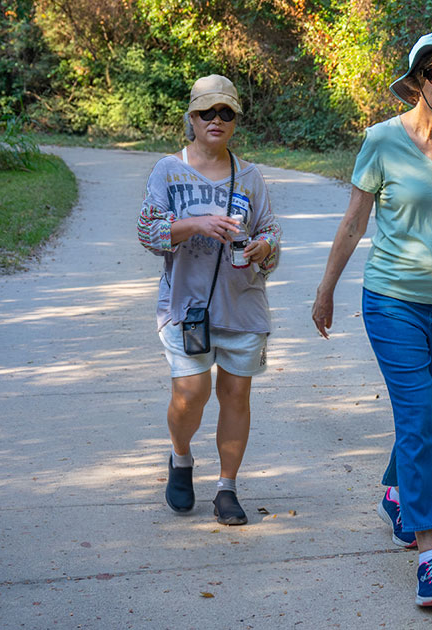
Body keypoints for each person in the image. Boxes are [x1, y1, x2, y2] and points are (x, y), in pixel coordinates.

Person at [311, 32, 432, 607]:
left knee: (429, 417)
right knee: (420, 420)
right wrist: (325, 291)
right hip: (392, 300)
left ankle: (395, 492)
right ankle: (430, 557)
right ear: (417, 79)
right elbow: (352, 224)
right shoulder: (382, 140)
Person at [137, 74, 282, 527]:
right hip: (186, 306)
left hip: (242, 306)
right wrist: (196, 223)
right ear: (191, 119)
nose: (216, 120)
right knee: (191, 392)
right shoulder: (168, 170)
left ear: (236, 120)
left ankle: (227, 487)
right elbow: (148, 232)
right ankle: (181, 458)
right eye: (207, 113)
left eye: (226, 113)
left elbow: (271, 233)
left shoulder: (251, 176)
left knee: (236, 395)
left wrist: (264, 249)